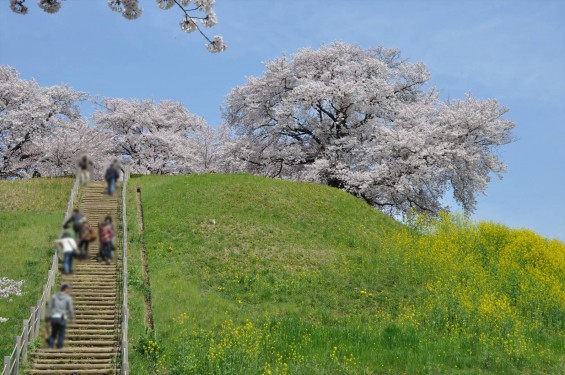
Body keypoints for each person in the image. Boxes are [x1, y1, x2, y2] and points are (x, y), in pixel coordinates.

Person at [47, 283, 75, 349]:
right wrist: (72, 318)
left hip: (54, 317)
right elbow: (70, 309)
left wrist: (48, 316)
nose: (68, 290)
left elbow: (50, 307)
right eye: (68, 289)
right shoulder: (68, 298)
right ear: (65, 289)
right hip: (62, 318)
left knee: (53, 333)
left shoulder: (54, 296)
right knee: (61, 334)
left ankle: (50, 347)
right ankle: (59, 348)